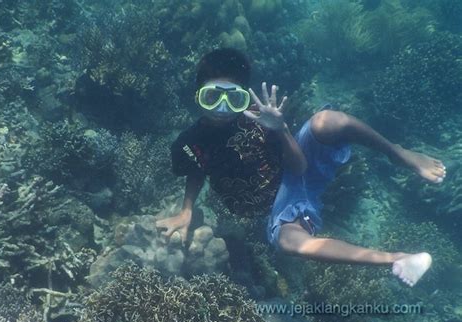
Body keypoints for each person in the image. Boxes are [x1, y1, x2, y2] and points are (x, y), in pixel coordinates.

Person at [156, 48, 446, 287]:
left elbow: (298, 166)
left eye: (232, 98)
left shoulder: (261, 117)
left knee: (327, 120)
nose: (221, 107)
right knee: (291, 242)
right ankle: (396, 258)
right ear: (197, 95)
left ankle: (399, 153)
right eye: (211, 97)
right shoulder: (189, 141)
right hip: (281, 206)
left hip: (298, 170)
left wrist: (280, 128)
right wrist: (186, 211)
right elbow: (196, 170)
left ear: (244, 96)